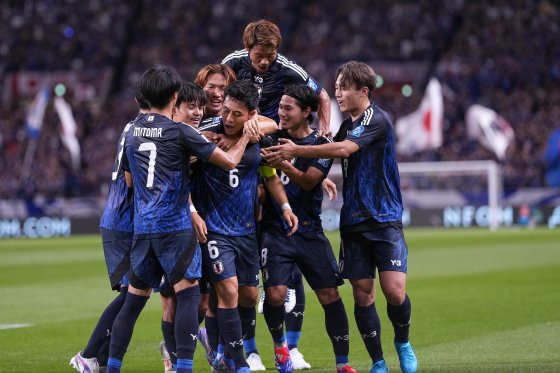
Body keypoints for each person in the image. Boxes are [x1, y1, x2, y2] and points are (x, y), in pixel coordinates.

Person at [263, 61, 418, 373]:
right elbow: (332, 152)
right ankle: (377, 362)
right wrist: (322, 174)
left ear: (363, 91)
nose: (337, 93)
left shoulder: (376, 119)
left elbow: (344, 150)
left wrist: (296, 152)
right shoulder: (346, 126)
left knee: (394, 291)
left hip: (384, 218)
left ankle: (402, 341)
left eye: (344, 88)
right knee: (363, 295)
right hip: (353, 222)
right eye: (335, 88)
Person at [105, 63, 258, 373]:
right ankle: (184, 367)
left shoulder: (131, 130)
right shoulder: (181, 131)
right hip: (175, 227)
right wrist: (244, 139)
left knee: (133, 301)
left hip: (142, 227)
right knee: (188, 296)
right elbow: (229, 161)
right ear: (175, 96)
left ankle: (111, 367)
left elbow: (131, 182)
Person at [191, 80, 298, 373]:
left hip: (247, 229)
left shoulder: (258, 138)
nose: (227, 118)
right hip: (214, 228)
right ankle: (239, 364)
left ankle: (221, 349)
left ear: (251, 114)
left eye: (236, 114)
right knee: (228, 290)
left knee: (249, 296)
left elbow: (271, 175)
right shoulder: (206, 134)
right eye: (225, 110)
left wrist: (286, 207)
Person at [260, 84, 356, 373]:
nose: (281, 113)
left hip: (310, 231)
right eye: (280, 107)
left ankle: (343, 364)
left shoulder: (321, 145)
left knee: (330, 296)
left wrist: (284, 164)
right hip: (275, 230)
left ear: (307, 112)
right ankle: (281, 348)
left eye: (288, 108)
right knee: (275, 295)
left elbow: (307, 181)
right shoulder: (270, 139)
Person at [69, 93, 149, 373]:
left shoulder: (133, 127)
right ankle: (89, 355)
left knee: (135, 295)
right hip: (124, 221)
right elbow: (131, 180)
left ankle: (99, 359)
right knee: (132, 295)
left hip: (121, 220)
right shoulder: (143, 130)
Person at [156, 81, 213, 372]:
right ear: (174, 107)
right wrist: (191, 210)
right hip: (171, 227)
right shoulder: (167, 138)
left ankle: (183, 344)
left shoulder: (198, 134)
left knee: (201, 302)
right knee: (172, 300)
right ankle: (176, 359)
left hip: (205, 227)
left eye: (200, 107)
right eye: (191, 106)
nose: (198, 112)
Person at [222, 19, 331, 136]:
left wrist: (324, 128)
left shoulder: (288, 69)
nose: (264, 62)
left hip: (272, 132)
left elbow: (322, 95)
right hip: (237, 126)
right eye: (259, 55)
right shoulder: (232, 63)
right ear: (247, 47)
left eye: (270, 55)